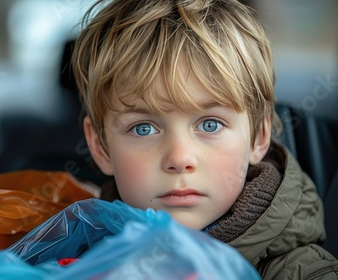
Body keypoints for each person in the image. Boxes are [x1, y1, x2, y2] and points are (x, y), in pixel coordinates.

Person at [71, 0, 338, 278]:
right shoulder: (74, 250)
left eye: (210, 125)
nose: (179, 158)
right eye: (143, 128)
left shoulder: (306, 273)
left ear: (259, 137)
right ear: (100, 147)